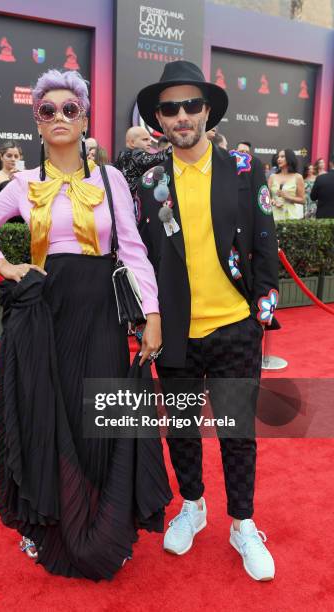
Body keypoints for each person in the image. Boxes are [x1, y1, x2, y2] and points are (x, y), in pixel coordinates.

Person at [0, 68, 171, 581]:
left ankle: (104, 528)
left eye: (69, 109)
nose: (59, 117)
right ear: (36, 121)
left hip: (99, 311)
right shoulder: (23, 184)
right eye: (47, 110)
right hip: (44, 315)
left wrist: (153, 312)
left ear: (84, 119)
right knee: (46, 417)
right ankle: (53, 527)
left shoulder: (110, 179)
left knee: (97, 415)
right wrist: (5, 266)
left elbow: (134, 250)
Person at [136, 60, 279, 581]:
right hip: (174, 334)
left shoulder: (243, 167)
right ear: (158, 117)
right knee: (180, 430)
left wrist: (260, 317)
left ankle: (242, 523)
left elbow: (266, 243)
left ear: (206, 110)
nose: (181, 115)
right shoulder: (150, 180)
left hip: (235, 327)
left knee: (238, 433)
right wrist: (144, 321)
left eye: (190, 105)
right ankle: (192, 506)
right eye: (170, 107)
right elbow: (141, 259)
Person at [268, 149, 305, 220]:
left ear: (289, 158)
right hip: (273, 216)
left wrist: (287, 196)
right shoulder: (272, 177)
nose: (279, 159)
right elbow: (265, 197)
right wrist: (273, 202)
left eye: (282, 157)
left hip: (290, 216)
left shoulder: (298, 177)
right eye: (278, 157)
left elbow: (302, 200)